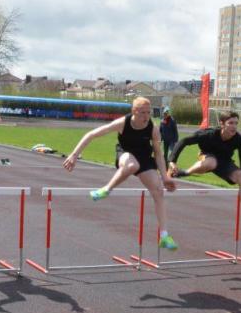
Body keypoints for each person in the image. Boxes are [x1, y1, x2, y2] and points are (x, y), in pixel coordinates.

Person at [63, 96, 179, 250]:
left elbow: (158, 153)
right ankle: (106, 190)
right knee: (131, 165)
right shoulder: (123, 123)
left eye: (148, 113)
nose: (146, 117)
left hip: (144, 157)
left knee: (158, 191)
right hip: (125, 153)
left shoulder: (153, 128)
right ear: (134, 111)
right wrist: (74, 155)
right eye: (142, 113)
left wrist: (165, 177)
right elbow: (91, 134)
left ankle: (164, 236)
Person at [167, 111, 241, 225]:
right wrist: (172, 161)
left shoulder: (239, 139)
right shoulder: (208, 134)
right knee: (211, 163)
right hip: (207, 156)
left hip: (225, 162)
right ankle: (185, 172)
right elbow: (183, 141)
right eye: (230, 123)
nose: (234, 126)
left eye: (236, 123)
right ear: (222, 124)